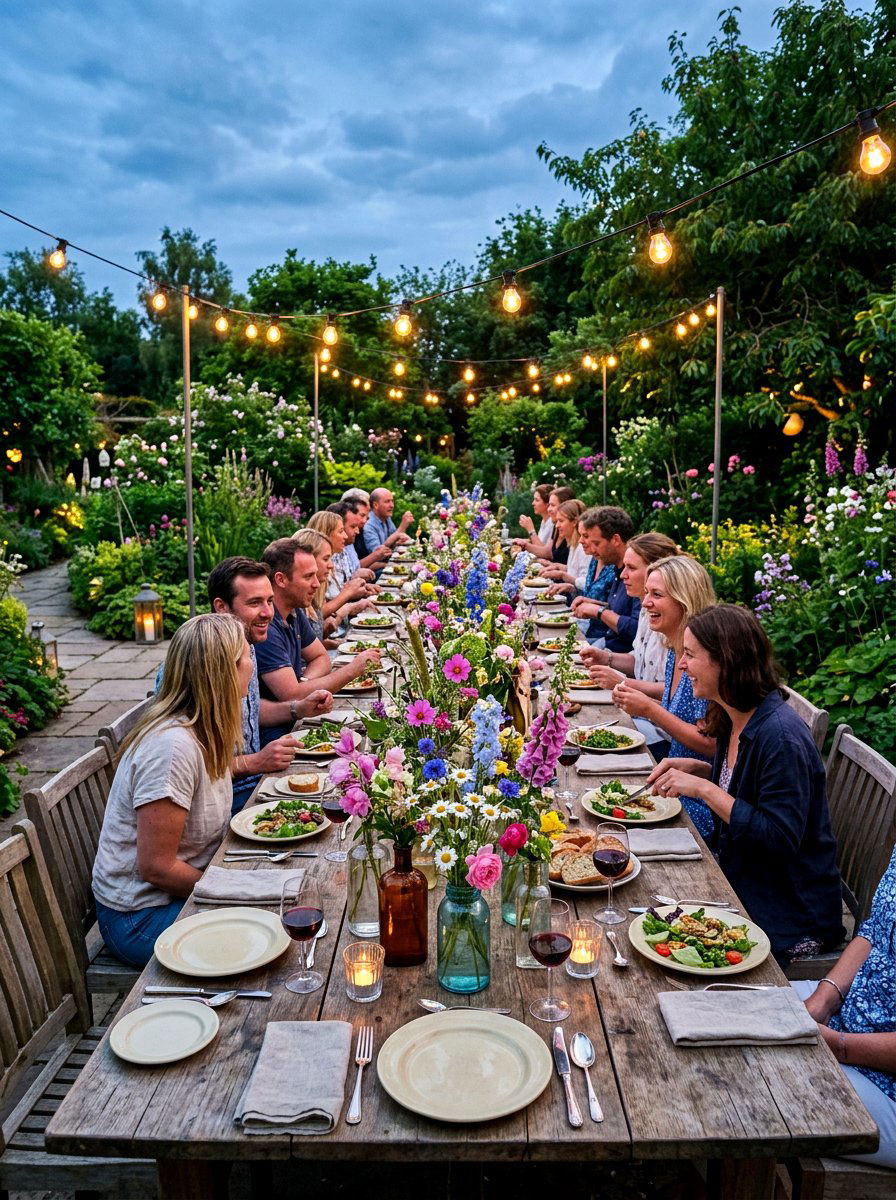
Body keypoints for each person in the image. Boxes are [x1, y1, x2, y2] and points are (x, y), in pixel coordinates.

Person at [647, 604, 845, 967]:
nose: (682, 665)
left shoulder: (781, 738)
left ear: (726, 660)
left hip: (790, 914)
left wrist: (705, 790)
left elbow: (779, 838)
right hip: (744, 880)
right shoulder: (733, 713)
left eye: (690, 655)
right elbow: (749, 791)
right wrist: (706, 772)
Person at [93, 613, 249, 967]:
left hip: (172, 896)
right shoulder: (171, 748)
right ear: (224, 673)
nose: (252, 665)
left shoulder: (203, 727)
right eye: (247, 656)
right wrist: (227, 893)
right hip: (140, 916)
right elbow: (156, 868)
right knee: (261, 938)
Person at [155, 557, 333, 815]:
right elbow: (184, 764)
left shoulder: (246, 647)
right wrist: (255, 762)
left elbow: (249, 710)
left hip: (247, 783)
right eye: (254, 603)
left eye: (269, 601)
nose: (268, 613)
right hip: (222, 801)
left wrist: (297, 708)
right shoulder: (198, 665)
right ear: (221, 607)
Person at [792, 846, 896, 1170]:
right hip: (847, 1019)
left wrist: (838, 1046)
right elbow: (873, 931)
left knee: (758, 1085)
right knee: (734, 1012)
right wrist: (823, 1000)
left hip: (885, 1083)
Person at [613, 554, 717, 836]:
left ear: (684, 601)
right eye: (646, 593)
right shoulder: (675, 649)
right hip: (669, 783)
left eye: (656, 595)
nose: (645, 603)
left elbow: (710, 746)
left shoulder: (704, 659)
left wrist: (649, 710)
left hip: (699, 800)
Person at [255, 539, 381, 743]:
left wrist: (304, 683)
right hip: (277, 737)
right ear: (281, 579)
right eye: (308, 576)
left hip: (299, 722)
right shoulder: (266, 624)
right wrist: (354, 669)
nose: (317, 582)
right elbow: (292, 695)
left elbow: (321, 657)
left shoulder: (293, 611)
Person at [582, 532, 679, 686]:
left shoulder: (675, 619)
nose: (623, 575)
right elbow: (640, 663)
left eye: (631, 568)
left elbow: (673, 693)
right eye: (624, 566)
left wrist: (623, 682)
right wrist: (606, 658)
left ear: (656, 570)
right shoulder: (645, 609)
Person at [569, 506, 640, 651]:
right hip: (607, 646)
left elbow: (637, 629)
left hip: (621, 657)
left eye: (596, 543)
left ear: (615, 539)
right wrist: (594, 604)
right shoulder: (617, 567)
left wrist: (599, 612)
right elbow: (620, 611)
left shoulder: (639, 574)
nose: (592, 549)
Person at [291, 527, 374, 640]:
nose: (331, 565)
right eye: (326, 559)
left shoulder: (312, 596)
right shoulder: (297, 603)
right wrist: (347, 595)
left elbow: (312, 641)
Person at [512, 486, 576, 561]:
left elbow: (547, 554)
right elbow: (548, 552)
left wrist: (531, 531)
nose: (533, 503)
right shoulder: (555, 525)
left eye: (552, 505)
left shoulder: (557, 524)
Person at [540, 500, 588, 590]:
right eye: (557, 521)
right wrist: (557, 566)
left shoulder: (583, 547)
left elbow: (587, 582)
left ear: (574, 522)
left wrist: (562, 575)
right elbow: (574, 570)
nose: (557, 526)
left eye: (561, 521)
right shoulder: (573, 544)